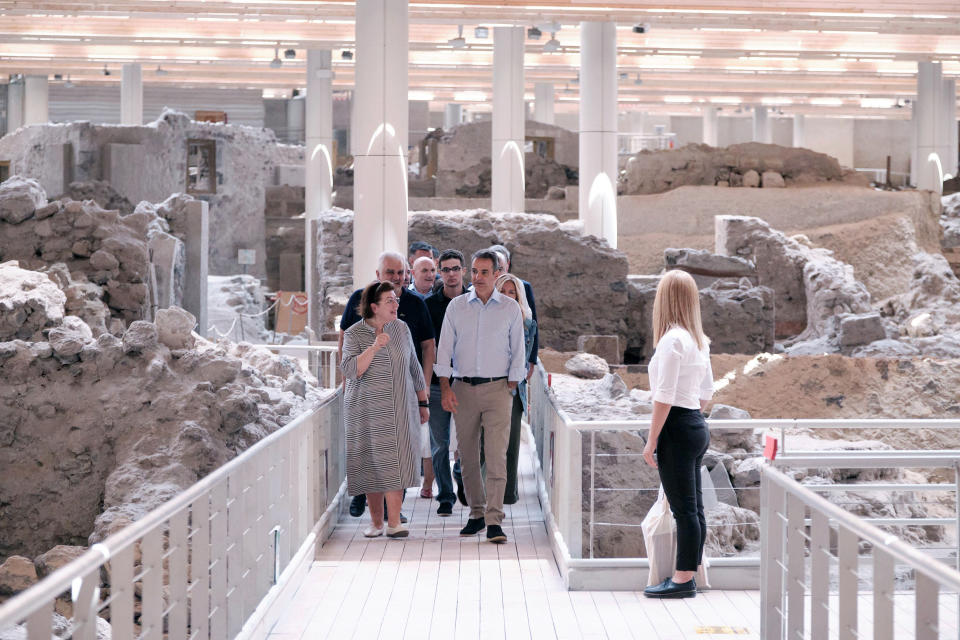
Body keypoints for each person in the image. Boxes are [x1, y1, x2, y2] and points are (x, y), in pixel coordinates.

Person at [435, 249, 526, 544]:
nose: (478, 277)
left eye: (484, 272)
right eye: (474, 271)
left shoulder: (510, 309)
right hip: (462, 389)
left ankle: (494, 519)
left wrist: (511, 386)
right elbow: (444, 349)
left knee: (497, 457)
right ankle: (476, 514)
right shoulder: (457, 307)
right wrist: (446, 387)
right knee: (467, 457)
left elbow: (518, 352)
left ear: (497, 274)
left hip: (499, 389)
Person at [339, 251, 435, 521]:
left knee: (399, 452)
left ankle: (394, 512)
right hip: (366, 392)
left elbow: (426, 348)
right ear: (378, 274)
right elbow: (344, 339)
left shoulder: (415, 305)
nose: (396, 278)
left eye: (400, 273)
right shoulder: (358, 300)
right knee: (367, 448)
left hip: (400, 393)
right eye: (390, 273)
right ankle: (366, 501)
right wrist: (346, 381)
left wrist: (422, 392)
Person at [640, 270, 714, 598]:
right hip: (697, 424)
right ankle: (690, 572)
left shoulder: (672, 341)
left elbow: (664, 396)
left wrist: (652, 439)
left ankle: (683, 580)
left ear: (664, 300)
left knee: (684, 509)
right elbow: (706, 395)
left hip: (678, 427)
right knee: (694, 507)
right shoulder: (698, 341)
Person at [488, 244, 538, 505]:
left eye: (512, 293)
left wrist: (529, 365)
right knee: (487, 444)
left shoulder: (528, 322)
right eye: (503, 292)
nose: (507, 296)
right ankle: (485, 494)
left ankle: (507, 494)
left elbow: (527, 350)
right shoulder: (485, 319)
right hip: (487, 387)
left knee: (510, 443)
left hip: (513, 389)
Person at [424, 249, 470, 516]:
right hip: (435, 383)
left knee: (466, 442)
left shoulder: (474, 301)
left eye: (456, 268)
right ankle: (445, 495)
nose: (451, 274)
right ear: (439, 272)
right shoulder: (429, 306)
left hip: (466, 382)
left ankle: (461, 474)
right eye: (446, 269)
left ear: (463, 270)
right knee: (440, 443)